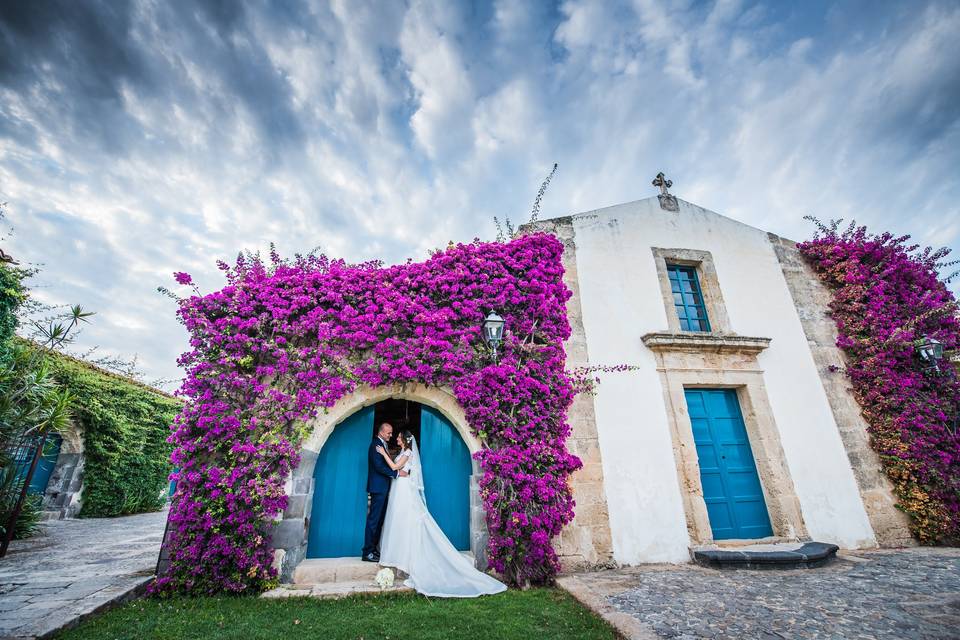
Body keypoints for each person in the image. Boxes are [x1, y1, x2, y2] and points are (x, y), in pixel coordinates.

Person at [376, 430, 507, 598]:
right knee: (399, 522)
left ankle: (407, 560)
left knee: (406, 521)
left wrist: (383, 454)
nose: (396, 438)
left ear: (405, 440)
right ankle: (400, 558)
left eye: (399, 436)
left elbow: (395, 467)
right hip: (398, 488)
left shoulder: (408, 452)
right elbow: (400, 470)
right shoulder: (403, 452)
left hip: (404, 492)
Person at [362, 422, 408, 563]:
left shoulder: (383, 445)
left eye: (391, 432)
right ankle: (367, 552)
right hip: (378, 487)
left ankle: (373, 549)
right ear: (381, 432)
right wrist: (396, 473)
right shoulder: (376, 444)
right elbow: (379, 466)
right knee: (373, 521)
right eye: (388, 433)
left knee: (379, 520)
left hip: (383, 488)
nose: (391, 435)